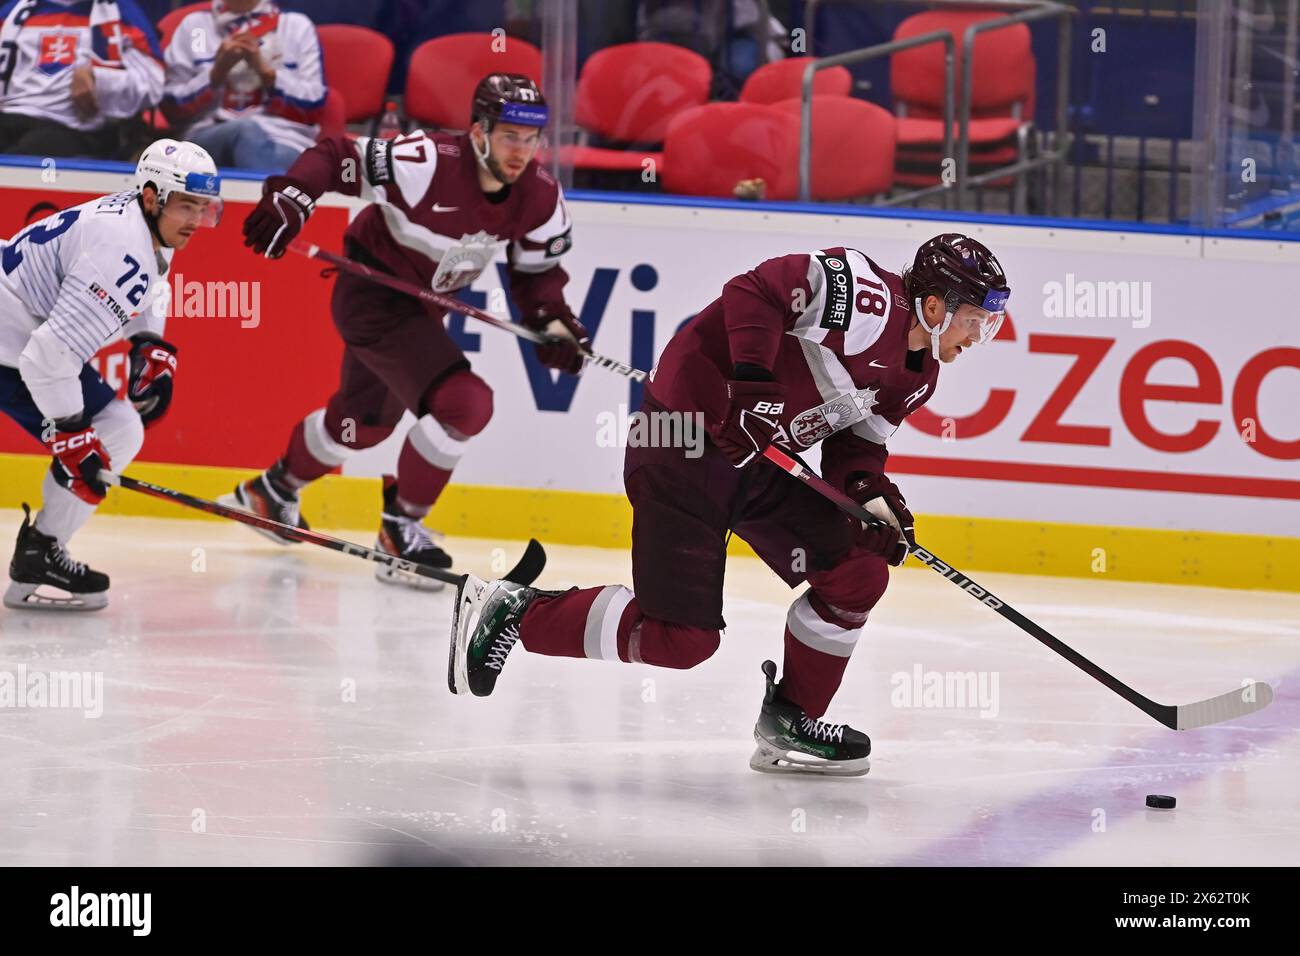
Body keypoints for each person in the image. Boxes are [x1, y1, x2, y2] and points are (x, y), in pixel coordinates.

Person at [448, 234, 1011, 776]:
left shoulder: (919, 377)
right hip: (684, 435)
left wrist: (873, 499)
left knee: (859, 572)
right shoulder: (868, 299)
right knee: (682, 640)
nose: (979, 335)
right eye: (975, 320)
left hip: (758, 460)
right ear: (934, 306)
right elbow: (755, 290)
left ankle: (791, 720)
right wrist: (750, 383)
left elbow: (856, 447)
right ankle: (516, 611)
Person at [232, 73, 587, 590]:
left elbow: (536, 278)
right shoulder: (426, 163)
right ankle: (400, 530)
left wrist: (554, 324)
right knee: (466, 404)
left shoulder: (540, 198)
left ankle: (274, 489)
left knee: (363, 422)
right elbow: (335, 154)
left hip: (422, 310)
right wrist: (292, 198)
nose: (522, 151)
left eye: (532, 139)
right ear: (479, 132)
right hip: (371, 297)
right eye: (510, 135)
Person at [2, 138, 222, 610]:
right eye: (188, 206)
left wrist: (149, 342)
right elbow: (47, 358)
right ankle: (40, 556)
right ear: (151, 196)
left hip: (18, 336)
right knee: (106, 435)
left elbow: (152, 279)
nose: (196, 222)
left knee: (119, 429)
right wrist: (71, 431)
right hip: (13, 345)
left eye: (203, 208)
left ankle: (40, 553)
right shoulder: (122, 247)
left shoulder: (144, 224)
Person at [160, 0, 325, 172]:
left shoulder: (296, 26)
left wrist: (267, 74)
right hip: (209, 136)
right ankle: (270, 196)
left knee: (288, 159)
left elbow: (315, 104)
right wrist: (215, 74)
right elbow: (171, 107)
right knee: (246, 131)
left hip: (282, 138)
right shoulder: (196, 28)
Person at [0, 0, 163, 158]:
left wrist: (98, 79)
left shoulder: (123, 13)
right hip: (10, 114)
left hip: (73, 127)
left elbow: (153, 84)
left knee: (26, 154)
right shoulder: (13, 12)